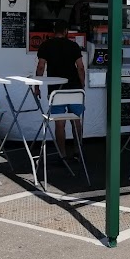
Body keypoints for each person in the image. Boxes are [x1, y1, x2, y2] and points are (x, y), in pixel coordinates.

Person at [35, 20, 85, 158]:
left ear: (53, 31)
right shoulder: (73, 46)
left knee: (59, 122)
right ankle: (77, 150)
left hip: (56, 90)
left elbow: (41, 67)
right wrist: (82, 84)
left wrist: (37, 87)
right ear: (66, 31)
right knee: (76, 119)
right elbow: (80, 67)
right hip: (74, 87)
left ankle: (62, 154)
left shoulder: (46, 46)